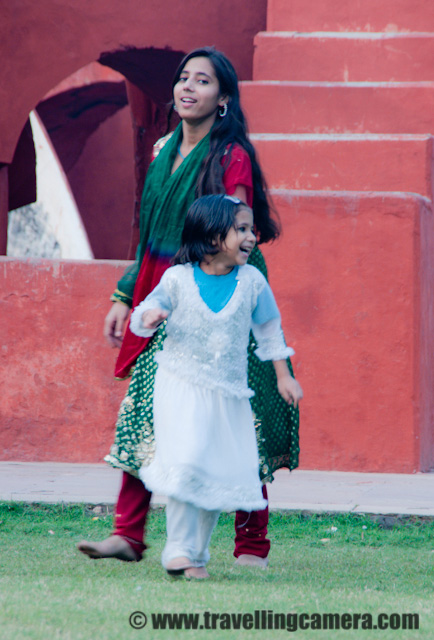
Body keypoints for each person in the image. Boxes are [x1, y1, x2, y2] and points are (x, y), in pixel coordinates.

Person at [77, 46, 300, 566]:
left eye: (202, 81)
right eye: (183, 78)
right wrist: (124, 293)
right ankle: (129, 535)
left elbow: (237, 229)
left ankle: (251, 545)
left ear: (222, 98)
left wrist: (220, 292)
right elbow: (151, 234)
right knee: (149, 409)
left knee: (242, 421)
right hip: (168, 293)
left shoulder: (231, 155)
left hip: (225, 293)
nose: (187, 87)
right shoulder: (162, 149)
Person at [129, 194, 303, 579]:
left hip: (229, 394)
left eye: (250, 229)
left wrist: (283, 375)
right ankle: (177, 549)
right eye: (241, 229)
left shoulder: (252, 282)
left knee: (215, 472)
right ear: (210, 238)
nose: (251, 237)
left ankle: (196, 556)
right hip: (179, 386)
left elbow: (269, 331)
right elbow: (140, 317)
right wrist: (151, 315)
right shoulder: (176, 279)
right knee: (187, 461)